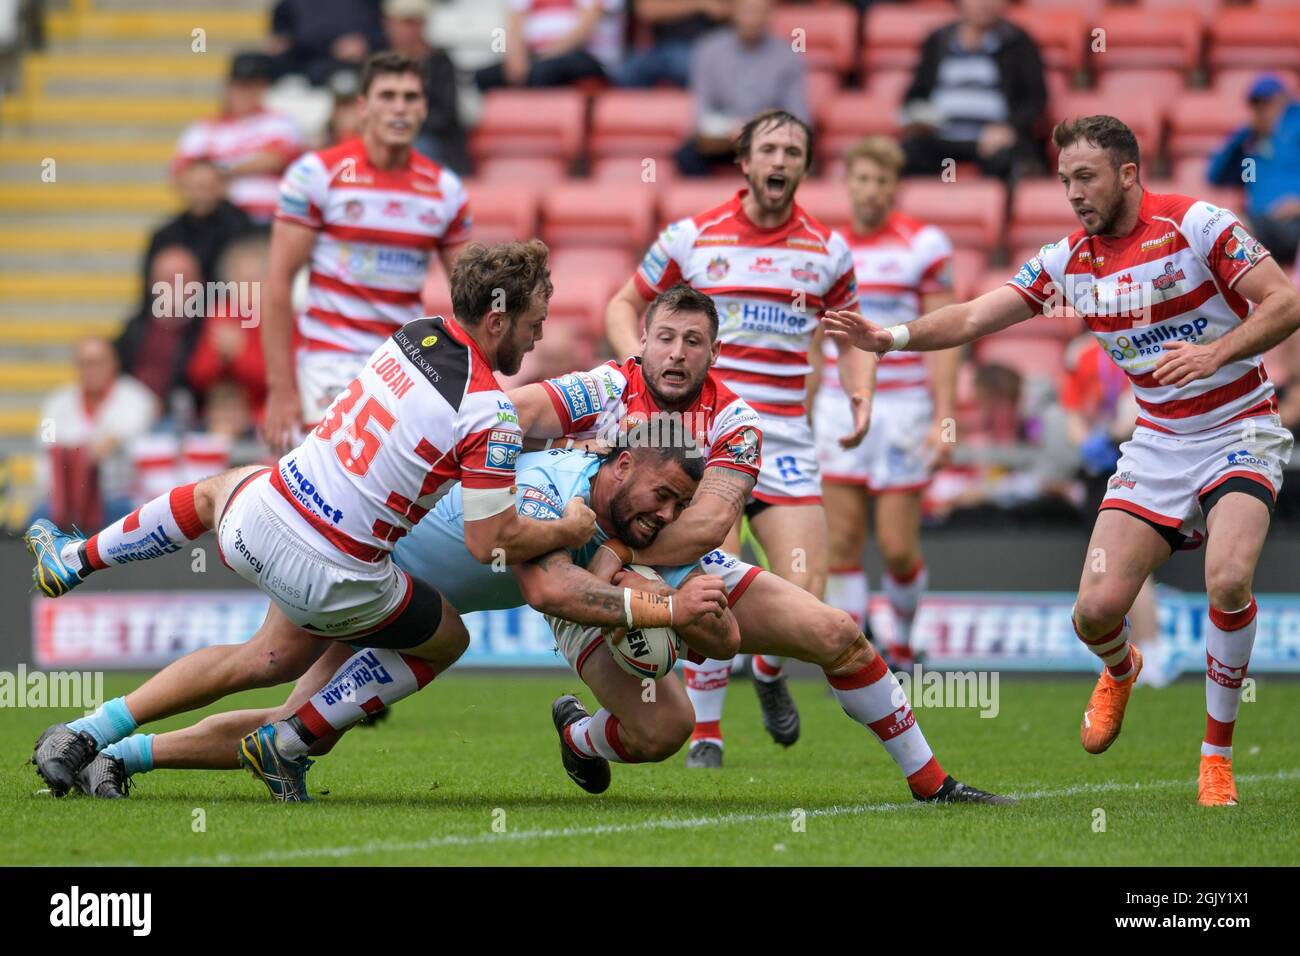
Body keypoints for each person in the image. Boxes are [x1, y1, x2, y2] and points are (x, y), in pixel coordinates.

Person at [66, 445, 1012, 810]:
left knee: (827, 639)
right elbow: (556, 585)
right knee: (272, 667)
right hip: (371, 578)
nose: (660, 506)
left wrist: (676, 575)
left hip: (388, 588)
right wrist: (656, 604)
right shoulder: (552, 473)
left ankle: (117, 751)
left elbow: (708, 506)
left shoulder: (717, 426)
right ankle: (103, 733)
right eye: (658, 492)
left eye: (695, 339)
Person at [823, 114, 1300, 807]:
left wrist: (1215, 352)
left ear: (1128, 174)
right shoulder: (1069, 263)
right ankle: (1122, 666)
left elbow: (1285, 303)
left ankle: (1215, 758)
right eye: (1064, 179)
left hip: (1239, 428)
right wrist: (888, 336)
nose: (1073, 192)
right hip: (1159, 442)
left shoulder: (1198, 225)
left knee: (1228, 581)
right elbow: (972, 317)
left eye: (1086, 177)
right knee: (1093, 614)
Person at [27, 240, 599, 799]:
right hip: (338, 577)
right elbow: (490, 541)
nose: (540, 335)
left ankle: (83, 646)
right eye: (534, 322)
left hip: (265, 518)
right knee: (447, 639)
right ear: (497, 321)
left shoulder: (414, 335)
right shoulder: (489, 412)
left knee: (222, 516)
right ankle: (291, 740)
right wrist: (568, 530)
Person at [607, 109, 873, 767]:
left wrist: (859, 388)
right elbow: (621, 305)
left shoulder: (827, 252)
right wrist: (638, 377)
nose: (781, 161)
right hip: (706, 440)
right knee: (709, 581)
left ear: (805, 166)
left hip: (784, 442)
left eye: (794, 151)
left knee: (805, 594)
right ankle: (706, 735)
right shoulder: (691, 237)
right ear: (745, 160)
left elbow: (851, 335)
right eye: (770, 149)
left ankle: (771, 671)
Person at [260, 52, 471, 454]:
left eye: (410, 97)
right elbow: (278, 283)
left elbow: (469, 294)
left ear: (424, 107)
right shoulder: (316, 175)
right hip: (329, 361)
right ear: (363, 106)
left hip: (404, 362)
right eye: (387, 95)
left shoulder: (445, 189)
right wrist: (280, 388)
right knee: (323, 492)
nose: (399, 108)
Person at [812, 136, 958, 672]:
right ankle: (862, 657)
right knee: (844, 543)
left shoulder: (924, 245)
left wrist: (945, 415)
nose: (870, 191)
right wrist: (804, 411)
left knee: (897, 546)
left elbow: (945, 334)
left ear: (893, 186)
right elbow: (815, 338)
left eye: (880, 181)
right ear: (847, 183)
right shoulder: (825, 249)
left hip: (903, 409)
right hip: (838, 403)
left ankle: (905, 640)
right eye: (861, 179)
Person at [899, 0, 1046, 183]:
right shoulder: (937, 39)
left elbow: (1034, 100)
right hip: (940, 137)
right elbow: (916, 94)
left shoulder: (1018, 41)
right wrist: (919, 119)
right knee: (902, 155)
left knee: (1009, 162)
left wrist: (1010, 128)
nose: (984, 4)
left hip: (991, 140)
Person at [674, 0, 808, 177]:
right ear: (733, 12)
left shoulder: (787, 56)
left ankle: (772, 202)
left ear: (769, 15)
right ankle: (710, 202)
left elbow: (800, 118)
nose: (752, 19)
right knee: (686, 155)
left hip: (770, 140)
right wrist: (730, 128)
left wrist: (756, 130)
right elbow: (701, 112)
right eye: (746, 11)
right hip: (722, 140)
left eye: (758, 11)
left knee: (799, 156)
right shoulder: (708, 50)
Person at [35, 338, 159, 528]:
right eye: (84, 363)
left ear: (114, 363)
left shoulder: (137, 398)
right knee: (35, 525)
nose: (91, 369)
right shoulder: (55, 403)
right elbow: (47, 447)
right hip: (63, 501)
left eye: (97, 362)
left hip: (117, 496)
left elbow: (122, 437)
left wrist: (73, 454)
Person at [173, 52, 304, 224]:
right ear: (228, 87)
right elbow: (181, 171)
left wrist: (217, 171)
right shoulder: (203, 127)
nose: (245, 93)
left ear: (263, 88)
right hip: (216, 216)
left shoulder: (280, 122)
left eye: (252, 86)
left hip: (268, 215)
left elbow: (276, 158)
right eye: (240, 86)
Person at [1208, 74, 1300, 267]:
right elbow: (1216, 177)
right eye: (1256, 105)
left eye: (1267, 104)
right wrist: (1242, 135)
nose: (1261, 111)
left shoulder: (1295, 130)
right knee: (1227, 228)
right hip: (1263, 227)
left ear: (1282, 101)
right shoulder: (1250, 151)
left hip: (1294, 221)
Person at [143, 158, 256, 297]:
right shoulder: (165, 236)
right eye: (194, 187)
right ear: (181, 187)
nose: (200, 195)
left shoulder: (243, 231)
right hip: (182, 311)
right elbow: (151, 292)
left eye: (206, 187)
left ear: (222, 187)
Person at [381, 0, 471, 176]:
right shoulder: (381, 63)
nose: (408, 29)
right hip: (393, 137)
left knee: (412, 148)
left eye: (413, 22)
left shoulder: (441, 63)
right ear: (388, 24)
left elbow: (447, 114)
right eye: (403, 22)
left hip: (435, 142)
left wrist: (403, 122)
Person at [185, 237, 270, 419]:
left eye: (254, 281)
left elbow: (280, 380)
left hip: (263, 419)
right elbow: (198, 375)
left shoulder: (280, 320)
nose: (247, 290)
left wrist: (239, 354)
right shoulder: (221, 316)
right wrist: (221, 357)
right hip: (220, 417)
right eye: (240, 281)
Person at [115, 245, 207, 413]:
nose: (175, 287)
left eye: (183, 279)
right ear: (152, 283)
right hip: (131, 416)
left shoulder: (207, 330)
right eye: (168, 279)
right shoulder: (134, 330)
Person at [474, 0, 625, 91]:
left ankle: (537, 132)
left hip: (588, 57)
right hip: (540, 58)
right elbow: (512, 24)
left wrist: (544, 57)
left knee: (542, 72)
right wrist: (515, 58)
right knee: (484, 76)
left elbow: (585, 29)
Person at [267, 0, 387, 87]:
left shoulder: (369, 4)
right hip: (306, 72)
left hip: (357, 70)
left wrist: (366, 43)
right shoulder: (290, 5)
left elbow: (390, 31)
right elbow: (280, 39)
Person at [616, 0, 729, 90]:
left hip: (708, 49)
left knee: (692, 66)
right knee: (625, 73)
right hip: (660, 49)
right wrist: (699, 4)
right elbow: (646, 9)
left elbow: (731, 10)